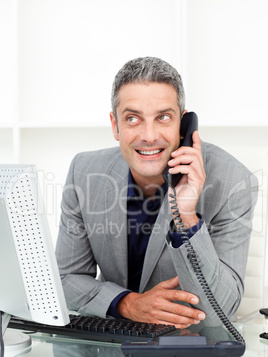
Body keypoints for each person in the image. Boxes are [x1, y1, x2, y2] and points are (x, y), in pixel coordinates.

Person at [55, 56, 258, 329]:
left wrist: (186, 216)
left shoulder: (234, 182)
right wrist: (128, 304)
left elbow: (221, 310)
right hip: (111, 348)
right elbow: (65, 278)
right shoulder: (85, 171)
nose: (149, 135)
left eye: (163, 117)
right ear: (116, 126)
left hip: (191, 355)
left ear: (183, 125)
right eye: (133, 118)